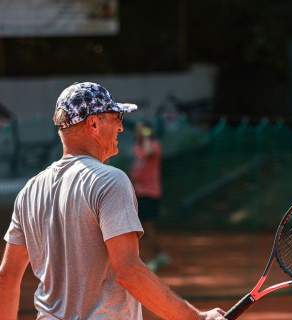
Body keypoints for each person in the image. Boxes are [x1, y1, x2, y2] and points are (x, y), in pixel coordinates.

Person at [0, 82, 226, 320]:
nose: (120, 126)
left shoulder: (29, 191)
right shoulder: (109, 180)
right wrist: (197, 318)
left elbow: (6, 276)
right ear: (93, 123)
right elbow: (128, 270)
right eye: (115, 117)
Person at [130, 121, 171, 271]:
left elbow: (149, 153)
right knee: (142, 228)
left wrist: (146, 135)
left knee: (145, 228)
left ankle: (153, 258)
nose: (138, 133)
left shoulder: (153, 145)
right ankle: (159, 255)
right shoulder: (136, 148)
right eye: (137, 130)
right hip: (138, 192)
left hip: (149, 193)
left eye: (142, 130)